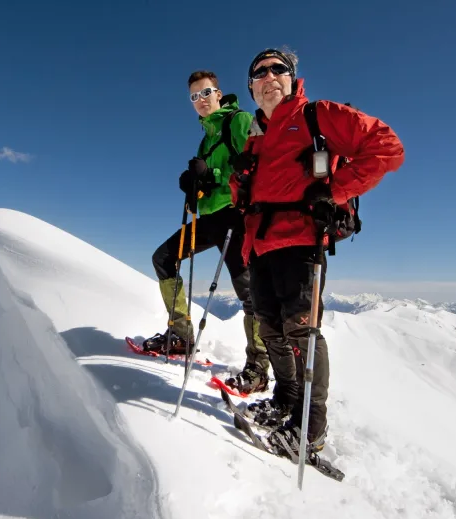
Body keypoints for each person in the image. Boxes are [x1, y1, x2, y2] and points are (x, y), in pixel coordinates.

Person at [229, 48, 404, 454]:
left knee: (301, 332)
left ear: (292, 78)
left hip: (300, 240)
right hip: (259, 244)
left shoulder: (316, 116)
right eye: (259, 72)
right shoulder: (256, 140)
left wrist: (336, 190)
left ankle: (311, 425)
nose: (269, 76)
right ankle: (287, 400)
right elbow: (245, 196)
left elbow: (386, 146)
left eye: (278, 69)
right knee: (269, 328)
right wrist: (238, 179)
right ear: (252, 88)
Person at [141, 70, 271, 392]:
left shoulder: (239, 122)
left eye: (205, 93)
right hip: (211, 220)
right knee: (164, 258)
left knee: (249, 292)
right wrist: (194, 187)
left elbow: (257, 163)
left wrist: (213, 175)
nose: (200, 101)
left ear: (218, 93)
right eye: (194, 97)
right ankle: (182, 334)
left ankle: (258, 365)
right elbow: (207, 187)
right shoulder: (205, 139)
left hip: (236, 218)